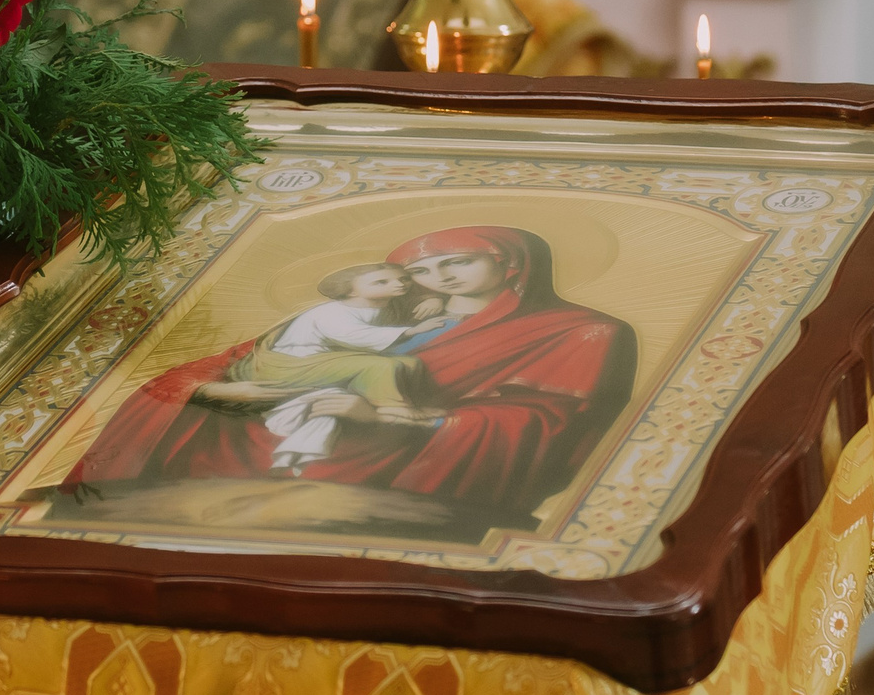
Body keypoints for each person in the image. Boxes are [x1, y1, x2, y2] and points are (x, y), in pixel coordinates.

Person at [68, 226, 636, 535]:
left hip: (390, 486)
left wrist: (412, 420)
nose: (436, 277)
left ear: (510, 264)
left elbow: (544, 424)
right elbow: (225, 365)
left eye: (458, 262)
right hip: (222, 479)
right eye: (417, 271)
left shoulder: (579, 332)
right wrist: (216, 392)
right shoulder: (371, 317)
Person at [226, 263, 443, 473]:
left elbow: (412, 303)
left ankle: (411, 402)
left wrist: (432, 298)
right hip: (290, 364)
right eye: (381, 282)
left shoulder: (383, 302)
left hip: (327, 360)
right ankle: (393, 409)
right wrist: (411, 332)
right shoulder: (332, 311)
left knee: (410, 363)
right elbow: (354, 336)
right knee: (379, 365)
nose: (399, 284)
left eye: (403, 278)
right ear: (349, 291)